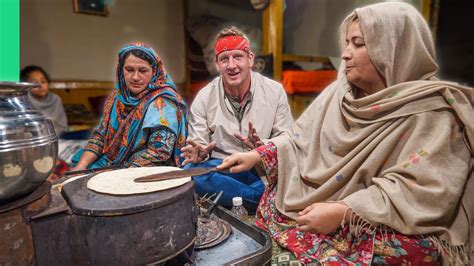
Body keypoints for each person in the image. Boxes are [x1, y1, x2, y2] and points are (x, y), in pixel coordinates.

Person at [218, 2, 474, 264]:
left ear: (394, 49)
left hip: (379, 215)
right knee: (226, 176)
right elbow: (300, 140)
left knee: (419, 250)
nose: (345, 54)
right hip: (328, 193)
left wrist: (345, 212)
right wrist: (259, 155)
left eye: (358, 43)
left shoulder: (432, 112)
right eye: (347, 43)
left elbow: (422, 191)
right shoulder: (339, 95)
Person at [181, 26, 293, 212]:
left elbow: (288, 138)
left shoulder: (274, 91)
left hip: (261, 167)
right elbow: (198, 143)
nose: (231, 65)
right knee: (191, 173)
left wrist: (262, 147)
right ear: (217, 65)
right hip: (224, 169)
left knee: (293, 172)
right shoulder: (204, 97)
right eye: (224, 59)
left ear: (250, 59)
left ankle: (240, 199)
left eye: (237, 57)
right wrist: (201, 153)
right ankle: (265, 201)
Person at [72, 43, 188, 170]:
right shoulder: (117, 97)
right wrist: (81, 166)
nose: (135, 77)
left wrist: (118, 176)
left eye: (143, 71)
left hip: (145, 168)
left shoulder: (163, 102)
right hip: (114, 162)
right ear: (121, 70)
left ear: (154, 71)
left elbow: (159, 151)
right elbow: (101, 135)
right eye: (129, 70)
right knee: (78, 165)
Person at [20, 65, 68, 137]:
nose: (40, 86)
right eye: (34, 83)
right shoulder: (23, 101)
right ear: (25, 85)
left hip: (58, 139)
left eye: (43, 81)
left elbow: (63, 127)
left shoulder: (55, 99)